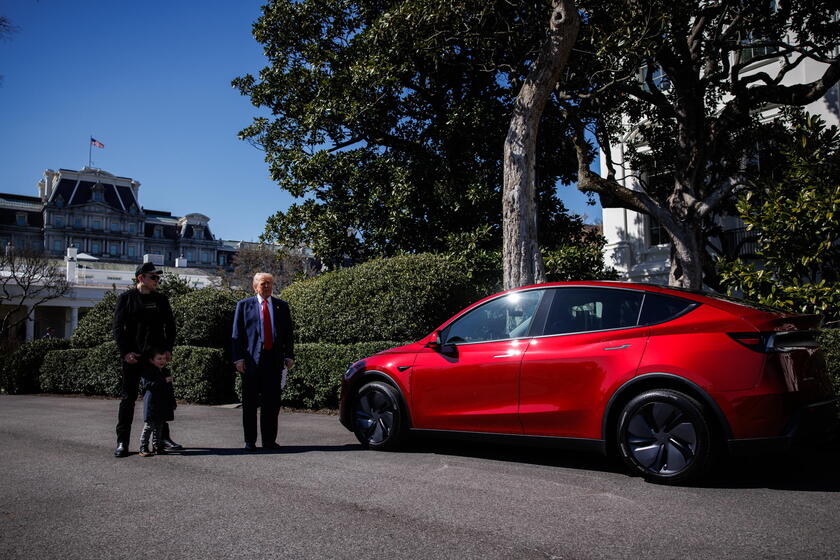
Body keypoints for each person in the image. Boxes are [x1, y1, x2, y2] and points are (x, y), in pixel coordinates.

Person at [112, 262, 181, 457]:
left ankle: (163, 439)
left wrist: (167, 349)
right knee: (128, 399)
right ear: (141, 278)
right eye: (153, 277)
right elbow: (118, 329)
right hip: (133, 357)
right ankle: (122, 442)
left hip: (155, 358)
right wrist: (126, 353)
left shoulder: (161, 299)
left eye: (158, 278)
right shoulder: (126, 299)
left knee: (161, 397)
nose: (157, 281)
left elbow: (171, 326)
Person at [231, 272, 294, 451]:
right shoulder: (243, 306)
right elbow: (237, 335)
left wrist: (289, 355)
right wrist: (238, 359)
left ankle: (269, 440)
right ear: (254, 286)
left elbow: (288, 334)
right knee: (249, 404)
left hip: (273, 361)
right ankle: (250, 441)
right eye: (263, 283)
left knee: (271, 404)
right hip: (251, 362)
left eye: (269, 283)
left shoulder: (282, 306)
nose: (266, 286)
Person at [138, 348, 177, 457]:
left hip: (163, 402)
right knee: (149, 425)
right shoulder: (148, 372)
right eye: (159, 358)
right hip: (152, 402)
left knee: (159, 425)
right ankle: (143, 446)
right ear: (151, 360)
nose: (162, 361)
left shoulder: (165, 371)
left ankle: (157, 446)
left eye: (164, 358)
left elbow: (169, 389)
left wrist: (172, 401)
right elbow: (148, 385)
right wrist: (164, 381)